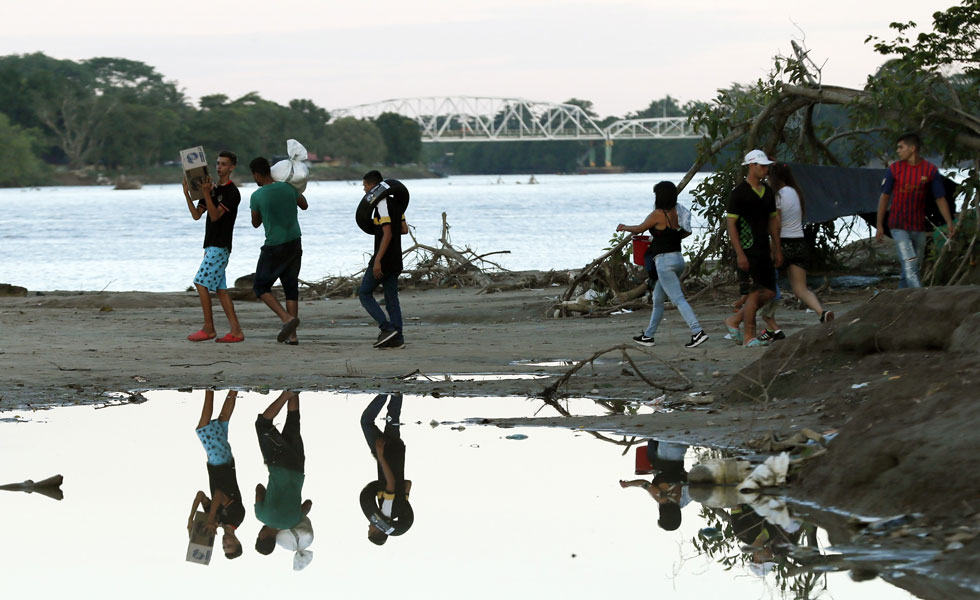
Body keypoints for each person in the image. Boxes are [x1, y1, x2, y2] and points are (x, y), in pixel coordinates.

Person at [616, 181, 708, 349]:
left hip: (664, 262)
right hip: (678, 259)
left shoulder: (658, 214)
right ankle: (648, 336)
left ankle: (697, 331)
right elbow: (686, 231)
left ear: (660, 196)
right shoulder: (676, 211)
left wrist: (623, 227)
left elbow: (639, 229)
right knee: (658, 300)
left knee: (678, 299)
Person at [755, 163, 834, 341]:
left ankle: (771, 325)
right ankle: (822, 312)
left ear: (773, 178)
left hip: (784, 242)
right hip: (800, 242)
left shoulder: (778, 197)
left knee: (767, 287)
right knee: (801, 289)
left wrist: (773, 248)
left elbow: (777, 223)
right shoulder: (795, 193)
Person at [875, 133, 956, 288]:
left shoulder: (930, 170)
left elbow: (940, 198)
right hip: (898, 224)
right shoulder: (895, 169)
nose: (898, 151)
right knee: (910, 262)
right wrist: (880, 224)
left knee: (912, 267)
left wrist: (949, 222)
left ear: (912, 149)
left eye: (901, 147)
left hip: (918, 225)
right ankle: (919, 297)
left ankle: (900, 300)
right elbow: (884, 197)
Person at [183, 151, 244, 343]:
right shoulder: (211, 187)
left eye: (224, 164)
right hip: (210, 245)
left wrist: (208, 194)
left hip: (220, 245)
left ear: (232, 167)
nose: (219, 167)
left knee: (200, 283)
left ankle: (209, 328)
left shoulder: (232, 192)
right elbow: (196, 215)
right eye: (218, 163)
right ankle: (236, 331)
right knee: (221, 289)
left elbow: (216, 216)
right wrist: (187, 194)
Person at [723, 150, 782, 347]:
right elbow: (731, 225)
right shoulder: (738, 194)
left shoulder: (767, 192)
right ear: (751, 166)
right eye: (762, 166)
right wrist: (739, 253)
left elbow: (773, 221)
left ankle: (735, 320)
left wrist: (777, 247)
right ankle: (750, 336)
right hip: (747, 249)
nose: (766, 170)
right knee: (754, 292)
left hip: (764, 248)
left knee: (771, 292)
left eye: (766, 166)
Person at [249, 157, 308, 344]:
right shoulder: (288, 188)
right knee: (291, 287)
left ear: (257, 174)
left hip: (275, 245)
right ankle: (293, 336)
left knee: (260, 286)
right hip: (294, 242)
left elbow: (256, 223)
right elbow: (304, 205)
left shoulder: (257, 196)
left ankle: (287, 319)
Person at [254, 390, 312, 555]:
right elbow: (259, 488)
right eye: (258, 536)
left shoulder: (291, 522)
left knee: (293, 422)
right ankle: (287, 394)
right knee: (262, 425)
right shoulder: (261, 515)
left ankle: (294, 390)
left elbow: (308, 504)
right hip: (278, 465)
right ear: (262, 537)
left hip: (298, 469)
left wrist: (297, 515)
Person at [189, 389, 245, 559]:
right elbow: (219, 495)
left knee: (222, 422)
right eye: (230, 545)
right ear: (237, 542)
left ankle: (234, 389)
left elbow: (201, 496)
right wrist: (211, 518)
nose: (225, 542)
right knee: (202, 429)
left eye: (224, 546)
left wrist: (191, 519)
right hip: (222, 464)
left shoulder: (217, 521)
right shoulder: (236, 517)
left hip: (216, 464)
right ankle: (209, 389)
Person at [357, 171, 409, 349]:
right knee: (391, 298)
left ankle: (386, 328)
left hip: (384, 258)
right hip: (396, 257)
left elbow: (387, 233)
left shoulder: (382, 204)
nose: (364, 190)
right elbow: (403, 229)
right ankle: (398, 338)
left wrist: (377, 260)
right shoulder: (396, 204)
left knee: (364, 293)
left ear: (373, 187)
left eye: (365, 186)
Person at [359, 394, 414, 545]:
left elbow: (407, 483)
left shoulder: (399, 508)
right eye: (370, 530)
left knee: (393, 416)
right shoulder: (386, 511)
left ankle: (396, 390)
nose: (369, 526)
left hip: (397, 452)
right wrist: (380, 456)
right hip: (386, 452)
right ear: (378, 530)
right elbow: (390, 483)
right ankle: (384, 392)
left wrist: (401, 495)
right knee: (366, 422)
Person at [619, 441, 690, 531]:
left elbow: (692, 478)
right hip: (665, 453)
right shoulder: (662, 498)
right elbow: (643, 483)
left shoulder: (683, 500)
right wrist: (627, 484)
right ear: (665, 514)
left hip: (679, 456)